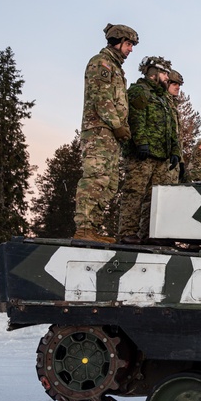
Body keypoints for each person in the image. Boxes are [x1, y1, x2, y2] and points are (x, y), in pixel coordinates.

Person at [73, 23, 138, 242]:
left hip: (111, 135)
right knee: (95, 178)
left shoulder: (116, 68)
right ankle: (84, 228)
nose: (130, 50)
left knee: (109, 183)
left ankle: (93, 228)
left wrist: (123, 128)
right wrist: (117, 124)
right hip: (98, 132)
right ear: (117, 41)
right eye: (128, 44)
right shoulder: (101, 63)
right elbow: (100, 98)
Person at [118, 56, 181, 243]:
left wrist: (176, 151)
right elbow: (136, 118)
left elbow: (171, 128)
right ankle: (127, 232)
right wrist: (140, 142)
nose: (167, 78)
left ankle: (149, 234)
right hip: (143, 153)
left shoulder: (163, 98)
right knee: (134, 192)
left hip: (162, 155)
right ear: (153, 73)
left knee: (155, 198)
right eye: (164, 73)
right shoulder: (139, 91)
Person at [167, 69, 187, 181]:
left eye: (179, 85)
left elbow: (178, 137)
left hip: (175, 160)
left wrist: (181, 161)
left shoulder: (174, 107)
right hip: (163, 159)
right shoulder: (162, 103)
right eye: (174, 84)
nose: (178, 87)